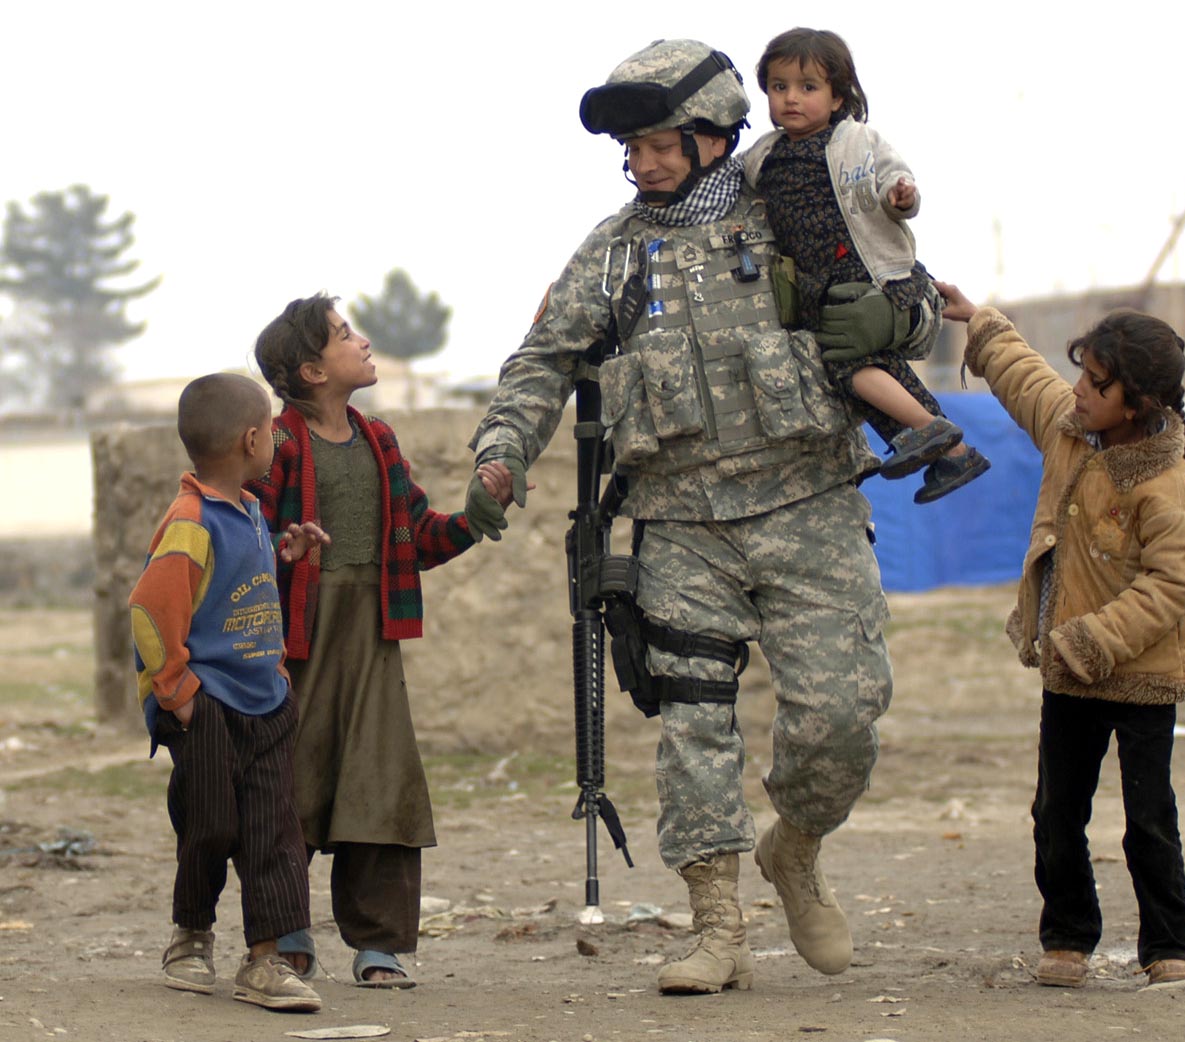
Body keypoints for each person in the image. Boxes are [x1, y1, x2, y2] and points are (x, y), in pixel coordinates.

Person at [465, 39, 893, 995]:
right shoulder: (614, 250)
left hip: (810, 505)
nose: (643, 163)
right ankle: (716, 927)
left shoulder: (791, 211)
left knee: (842, 716)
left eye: (660, 143)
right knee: (695, 727)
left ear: (714, 135)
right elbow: (540, 361)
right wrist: (499, 455)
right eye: (632, 149)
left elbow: (894, 281)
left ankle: (797, 847)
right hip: (680, 523)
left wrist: (907, 324)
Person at [939, 281, 1185, 990]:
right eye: (1083, 377)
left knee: (1149, 820)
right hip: (1069, 675)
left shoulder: (1169, 486)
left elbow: (1171, 588)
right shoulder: (1069, 429)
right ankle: (1067, 937)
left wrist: (1088, 640)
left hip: (1142, 674)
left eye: (1097, 384)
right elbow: (1026, 377)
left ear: (1138, 404)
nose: (1080, 392)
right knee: (1057, 813)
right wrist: (982, 324)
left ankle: (1170, 950)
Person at [245, 294, 514, 988]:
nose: (363, 343)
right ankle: (285, 934)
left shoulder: (378, 440)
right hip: (298, 643)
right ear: (310, 370)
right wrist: (286, 551)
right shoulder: (278, 445)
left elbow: (418, 537)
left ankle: (379, 945)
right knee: (290, 785)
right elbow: (248, 544)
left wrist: (479, 515)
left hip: (372, 637)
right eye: (344, 335)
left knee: (380, 778)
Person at [130, 372, 323, 1012]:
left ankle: (266, 960)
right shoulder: (190, 521)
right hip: (208, 706)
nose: (275, 442)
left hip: (266, 701)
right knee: (210, 824)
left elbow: (235, 589)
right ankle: (191, 936)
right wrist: (178, 693)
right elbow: (150, 612)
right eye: (271, 431)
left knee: (274, 831)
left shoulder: (251, 513)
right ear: (250, 439)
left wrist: (285, 555)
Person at [740, 27, 990, 504]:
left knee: (850, 366)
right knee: (876, 373)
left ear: (837, 97)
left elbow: (896, 179)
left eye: (808, 87)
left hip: (868, 276)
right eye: (779, 87)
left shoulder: (856, 140)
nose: (791, 98)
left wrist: (901, 195)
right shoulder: (764, 155)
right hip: (818, 289)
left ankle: (926, 430)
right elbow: (737, 193)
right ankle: (953, 451)